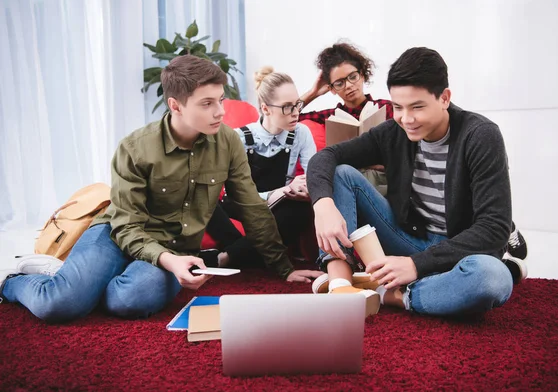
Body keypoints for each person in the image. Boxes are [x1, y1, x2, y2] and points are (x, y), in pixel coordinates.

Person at [0, 55, 320, 322]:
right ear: (176, 106)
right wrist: (167, 261)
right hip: (116, 235)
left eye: (220, 100)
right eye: (207, 103)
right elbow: (126, 226)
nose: (221, 112)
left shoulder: (227, 143)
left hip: (174, 245)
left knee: (132, 301)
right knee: (60, 305)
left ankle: (83, 283)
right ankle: (14, 282)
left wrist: (284, 268)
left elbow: (251, 207)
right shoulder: (135, 147)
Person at [307, 47, 527, 317]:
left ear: (444, 98)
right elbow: (327, 157)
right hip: (409, 239)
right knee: (342, 174)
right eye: (398, 107)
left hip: (460, 251)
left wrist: (415, 265)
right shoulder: (394, 131)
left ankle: (392, 295)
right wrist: (323, 205)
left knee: (491, 278)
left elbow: (493, 229)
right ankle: (341, 284)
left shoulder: (481, 135)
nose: (406, 119)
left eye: (417, 107)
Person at [204, 67, 318, 269]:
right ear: (266, 109)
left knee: (299, 212)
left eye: (297, 105)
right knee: (206, 202)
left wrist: (305, 188)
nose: (296, 113)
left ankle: (226, 258)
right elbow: (230, 192)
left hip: (278, 207)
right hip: (240, 204)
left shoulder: (301, 133)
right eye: (287, 107)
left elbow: (314, 177)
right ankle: (249, 254)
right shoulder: (238, 137)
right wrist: (276, 192)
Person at [299, 41, 392, 196]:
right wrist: (313, 93)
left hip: (383, 181)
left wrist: (384, 165)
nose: (348, 85)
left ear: (362, 74)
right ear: (332, 89)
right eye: (339, 83)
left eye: (352, 77)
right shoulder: (332, 116)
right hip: (347, 182)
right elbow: (287, 117)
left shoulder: (387, 108)